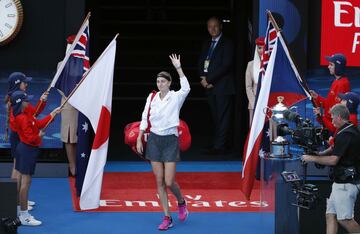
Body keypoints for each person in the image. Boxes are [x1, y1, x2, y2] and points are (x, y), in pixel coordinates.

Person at [136, 54, 190, 230]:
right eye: (158, 81)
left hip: (170, 140)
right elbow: (145, 117)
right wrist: (139, 136)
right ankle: (167, 217)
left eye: (163, 81)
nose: (159, 84)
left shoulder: (175, 97)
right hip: (154, 140)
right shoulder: (151, 98)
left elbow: (187, 88)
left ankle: (181, 202)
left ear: (169, 82)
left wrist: (178, 68)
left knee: (169, 182)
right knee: (159, 181)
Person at [302, 104, 360, 234]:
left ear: (339, 117)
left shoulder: (347, 133)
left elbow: (334, 160)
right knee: (330, 215)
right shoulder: (345, 129)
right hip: (339, 182)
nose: (332, 120)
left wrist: (311, 159)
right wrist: (319, 155)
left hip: (346, 184)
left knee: (345, 220)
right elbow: (335, 148)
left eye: (333, 117)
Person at [11, 91, 61, 226]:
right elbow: (30, 138)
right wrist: (39, 136)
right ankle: (24, 216)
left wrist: (53, 114)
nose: (28, 102)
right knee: (25, 184)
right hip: (27, 151)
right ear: (21, 103)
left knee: (23, 183)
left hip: (25, 150)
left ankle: (18, 212)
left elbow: (38, 124)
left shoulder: (26, 114)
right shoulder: (22, 118)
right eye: (26, 100)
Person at [4, 72, 48, 211]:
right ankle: (14, 203)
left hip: (18, 136)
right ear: (18, 84)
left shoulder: (18, 99)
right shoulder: (18, 100)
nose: (26, 84)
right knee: (18, 170)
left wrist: (42, 100)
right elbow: (30, 118)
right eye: (24, 82)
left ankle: (18, 201)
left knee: (19, 170)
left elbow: (33, 114)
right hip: (19, 138)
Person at [198, 16, 235, 155]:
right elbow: (201, 60)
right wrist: (202, 77)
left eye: (215, 26)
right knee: (216, 117)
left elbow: (226, 65)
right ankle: (218, 143)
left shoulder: (228, 43)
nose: (212, 29)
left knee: (223, 117)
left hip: (223, 87)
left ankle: (220, 146)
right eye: (209, 27)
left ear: (221, 26)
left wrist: (209, 80)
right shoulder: (207, 43)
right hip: (209, 86)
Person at [310, 53, 350, 130]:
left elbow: (338, 115)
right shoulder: (337, 81)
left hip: (332, 127)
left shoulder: (342, 84)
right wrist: (317, 97)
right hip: (329, 123)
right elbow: (330, 104)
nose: (328, 67)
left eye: (331, 65)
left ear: (338, 67)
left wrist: (322, 115)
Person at [59, 35, 79, 176]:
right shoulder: (62, 64)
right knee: (69, 136)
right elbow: (60, 86)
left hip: (83, 105)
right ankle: (72, 166)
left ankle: (80, 164)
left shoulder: (85, 65)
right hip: (68, 104)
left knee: (79, 136)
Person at [245, 37, 265, 125]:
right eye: (259, 48)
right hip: (254, 104)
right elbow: (248, 87)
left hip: (269, 105)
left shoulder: (272, 65)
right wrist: (254, 103)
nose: (261, 50)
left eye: (264, 47)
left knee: (270, 134)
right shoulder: (251, 65)